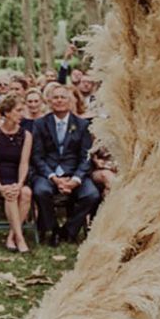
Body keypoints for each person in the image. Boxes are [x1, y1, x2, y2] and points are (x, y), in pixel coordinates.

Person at [31, 85, 100, 246]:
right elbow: (37, 156)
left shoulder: (82, 125)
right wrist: (54, 178)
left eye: (63, 97)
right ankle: (52, 228)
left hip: (74, 173)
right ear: (49, 101)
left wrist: (75, 179)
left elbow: (86, 156)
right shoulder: (40, 124)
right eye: (56, 97)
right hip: (48, 174)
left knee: (92, 195)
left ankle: (69, 230)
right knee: (41, 191)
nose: (59, 100)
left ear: (70, 101)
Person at [0, 95, 33, 253]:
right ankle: (20, 239)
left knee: (25, 193)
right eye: (18, 110)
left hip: (16, 176)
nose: (22, 114)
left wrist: (20, 183)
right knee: (10, 194)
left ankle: (12, 236)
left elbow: (24, 163)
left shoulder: (26, 135)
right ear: (7, 112)